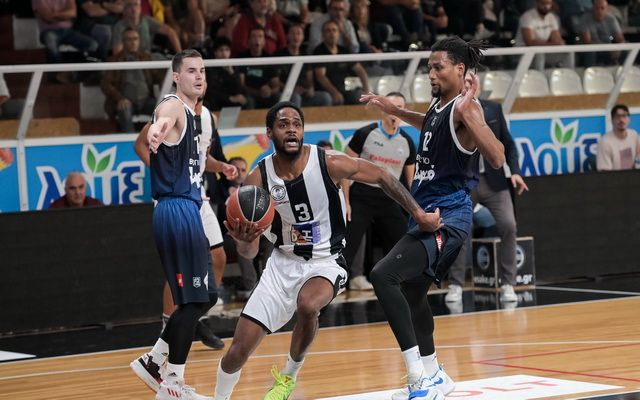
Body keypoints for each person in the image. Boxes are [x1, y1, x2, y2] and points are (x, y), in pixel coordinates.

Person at [212, 101, 441, 400]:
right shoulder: (258, 180)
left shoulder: (329, 163)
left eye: (297, 124)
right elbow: (249, 252)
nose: (291, 129)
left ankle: (288, 377)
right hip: (281, 264)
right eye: (283, 124)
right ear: (270, 133)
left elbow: (383, 175)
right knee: (236, 353)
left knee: (308, 305)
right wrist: (244, 240)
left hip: (326, 261)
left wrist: (419, 214)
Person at [360, 36, 505, 399]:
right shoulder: (439, 108)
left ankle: (419, 380)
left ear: (460, 70)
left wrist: (472, 114)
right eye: (429, 68)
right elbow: (429, 122)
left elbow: (497, 157)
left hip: (448, 216)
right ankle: (435, 374)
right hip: (426, 212)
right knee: (412, 294)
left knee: (383, 275)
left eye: (438, 67)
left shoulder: (466, 109)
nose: (431, 74)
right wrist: (393, 109)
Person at [129, 49, 216, 400]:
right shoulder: (174, 105)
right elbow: (164, 116)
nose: (199, 76)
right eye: (191, 71)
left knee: (206, 296)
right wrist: (157, 128)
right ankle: (172, 382)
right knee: (193, 300)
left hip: (187, 209)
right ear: (176, 77)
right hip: (176, 209)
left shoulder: (196, 116)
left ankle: (154, 361)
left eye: (202, 70)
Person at [133, 84, 237, 353]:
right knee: (180, 267)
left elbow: (203, 158)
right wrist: (164, 173)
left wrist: (221, 166)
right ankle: (168, 326)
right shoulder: (171, 110)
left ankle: (195, 318)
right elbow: (140, 144)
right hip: (176, 198)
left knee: (218, 257)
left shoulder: (209, 118)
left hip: (198, 196)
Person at [446, 85, 529, 304]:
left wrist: (515, 172)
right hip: (464, 181)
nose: (467, 87)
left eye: (471, 82)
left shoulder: (493, 109)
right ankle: (455, 284)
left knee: (509, 225)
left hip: (494, 181)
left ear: (478, 84)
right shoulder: (450, 110)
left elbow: (508, 144)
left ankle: (508, 283)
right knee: (461, 230)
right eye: (462, 83)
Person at [342, 92, 416, 291]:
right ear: (383, 109)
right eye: (392, 105)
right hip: (361, 195)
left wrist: (416, 209)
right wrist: (346, 202)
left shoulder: (407, 142)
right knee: (349, 243)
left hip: (389, 197)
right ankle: (334, 283)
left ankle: (397, 282)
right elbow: (346, 171)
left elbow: (411, 182)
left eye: (400, 107)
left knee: (402, 240)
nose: (395, 110)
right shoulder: (364, 133)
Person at [101, 28, 163, 132]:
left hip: (146, 100)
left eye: (135, 39)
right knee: (124, 109)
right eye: (129, 39)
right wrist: (119, 98)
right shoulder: (114, 60)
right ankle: (129, 140)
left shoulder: (146, 58)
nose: (133, 42)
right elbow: (105, 84)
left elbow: (158, 77)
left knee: (165, 108)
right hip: (126, 101)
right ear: (123, 42)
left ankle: (162, 140)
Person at [312, 19, 371, 105]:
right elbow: (320, 76)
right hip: (327, 92)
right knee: (328, 98)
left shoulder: (344, 51)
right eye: (328, 31)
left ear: (339, 34)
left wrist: (367, 89)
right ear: (323, 35)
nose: (332, 34)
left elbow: (360, 70)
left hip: (343, 90)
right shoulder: (319, 51)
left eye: (334, 30)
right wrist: (334, 93)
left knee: (360, 97)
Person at [513, 0, 574, 71]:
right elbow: (530, 43)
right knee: (539, 53)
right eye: (543, 3)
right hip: (523, 51)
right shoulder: (527, 17)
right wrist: (552, 44)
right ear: (537, 3)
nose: (546, 6)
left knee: (568, 52)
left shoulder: (552, 17)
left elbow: (557, 40)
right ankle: (539, 76)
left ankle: (569, 75)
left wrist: (557, 43)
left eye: (548, 3)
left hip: (544, 49)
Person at [32, 0, 99, 64]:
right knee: (51, 41)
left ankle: (78, 68)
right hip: (48, 31)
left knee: (92, 44)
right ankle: (57, 69)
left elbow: (72, 13)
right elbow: (48, 17)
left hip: (68, 31)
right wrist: (65, 14)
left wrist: (54, 14)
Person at [111, 0, 182, 55]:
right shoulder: (119, 26)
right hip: (129, 60)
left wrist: (180, 55)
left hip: (147, 57)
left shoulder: (147, 20)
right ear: (124, 10)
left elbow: (171, 32)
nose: (133, 9)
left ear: (140, 8)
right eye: (129, 5)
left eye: (136, 5)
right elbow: (117, 53)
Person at [578, 0, 625, 66]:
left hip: (608, 48)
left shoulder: (612, 19)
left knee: (625, 51)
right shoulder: (585, 18)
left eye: (602, 8)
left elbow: (620, 39)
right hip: (592, 49)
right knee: (590, 52)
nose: (599, 11)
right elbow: (587, 41)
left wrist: (618, 49)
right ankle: (590, 71)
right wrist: (608, 49)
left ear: (607, 10)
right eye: (597, 8)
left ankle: (623, 70)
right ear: (593, 9)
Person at [597, 104, 639, 171]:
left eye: (624, 116)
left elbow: (638, 156)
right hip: (614, 177)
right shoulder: (605, 142)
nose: (621, 120)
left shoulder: (634, 135)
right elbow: (605, 173)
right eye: (617, 116)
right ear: (612, 120)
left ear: (629, 119)